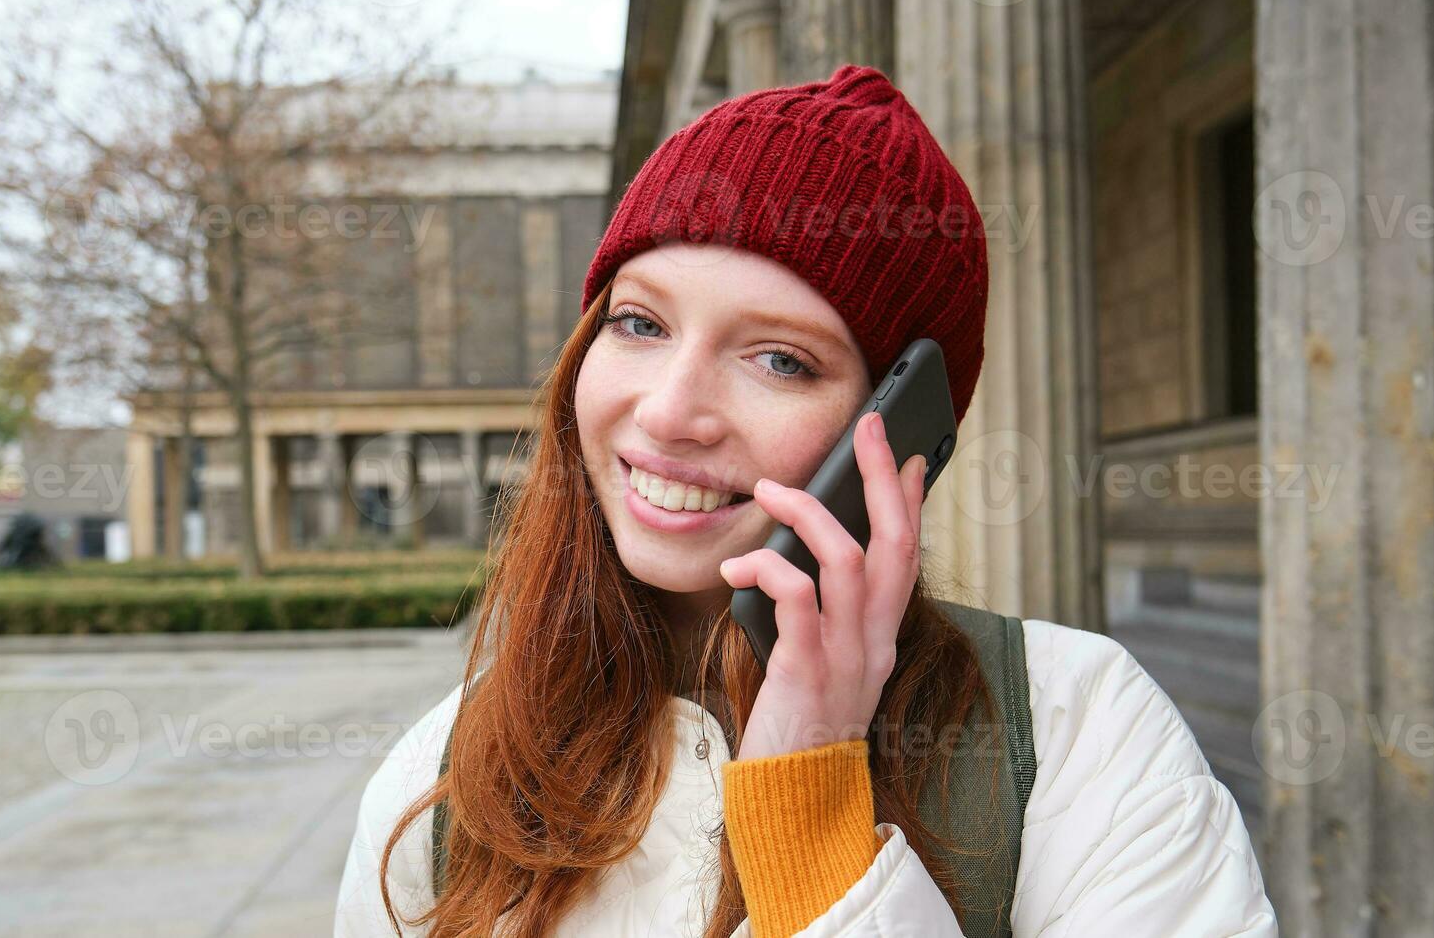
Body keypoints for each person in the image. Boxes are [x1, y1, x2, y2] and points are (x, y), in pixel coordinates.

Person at [335, 65, 1274, 937]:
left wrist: (810, 809)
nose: (668, 411)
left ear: (898, 428)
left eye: (779, 359)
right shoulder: (448, 780)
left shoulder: (1077, 728)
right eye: (640, 322)